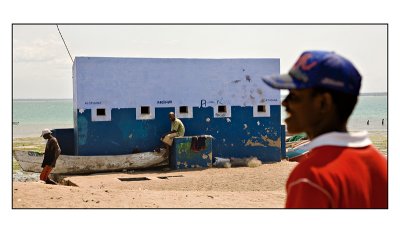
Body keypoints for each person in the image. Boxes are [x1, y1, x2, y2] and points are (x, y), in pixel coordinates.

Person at [263, 50, 388, 208]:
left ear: (323, 103)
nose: (284, 103)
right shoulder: (382, 166)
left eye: (294, 96)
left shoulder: (310, 177)